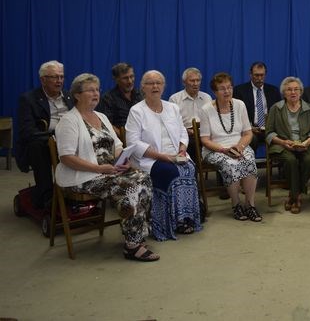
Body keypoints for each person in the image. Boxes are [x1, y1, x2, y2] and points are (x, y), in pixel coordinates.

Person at [55, 73, 158, 261]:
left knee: (144, 177)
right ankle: (132, 245)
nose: (96, 93)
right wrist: (100, 169)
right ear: (77, 95)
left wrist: (122, 158)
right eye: (90, 90)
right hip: (82, 176)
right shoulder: (68, 121)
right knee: (129, 187)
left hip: (108, 171)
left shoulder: (101, 116)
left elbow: (117, 145)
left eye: (97, 89)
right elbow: (67, 158)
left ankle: (137, 234)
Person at [125, 70, 203, 239]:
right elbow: (133, 143)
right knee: (170, 172)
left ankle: (185, 218)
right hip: (150, 159)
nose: (155, 86)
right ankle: (165, 222)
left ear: (164, 86)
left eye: (159, 83)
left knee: (190, 168)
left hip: (176, 154)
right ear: (143, 88)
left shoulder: (172, 107)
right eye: (150, 83)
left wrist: (182, 148)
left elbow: (183, 131)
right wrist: (163, 157)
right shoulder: (137, 111)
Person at [199, 72, 261, 222]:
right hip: (215, 148)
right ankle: (236, 204)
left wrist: (239, 147)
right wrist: (224, 150)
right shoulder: (206, 109)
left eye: (229, 87)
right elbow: (205, 140)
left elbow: (247, 133)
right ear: (214, 92)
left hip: (239, 145)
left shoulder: (239, 105)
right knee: (230, 164)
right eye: (222, 89)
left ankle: (250, 204)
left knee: (249, 161)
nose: (227, 91)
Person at [16, 60, 73, 208]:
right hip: (45, 144)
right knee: (37, 146)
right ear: (43, 79)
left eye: (61, 77)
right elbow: (27, 131)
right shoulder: (29, 99)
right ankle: (47, 196)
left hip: (71, 140)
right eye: (54, 77)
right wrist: (55, 137)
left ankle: (77, 191)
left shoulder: (70, 97)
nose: (59, 81)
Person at [265, 77, 310, 214]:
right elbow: (269, 133)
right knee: (291, 161)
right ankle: (297, 198)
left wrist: (306, 142)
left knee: (309, 161)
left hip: (303, 145)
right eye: (289, 89)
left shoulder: (309, 108)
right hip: (282, 145)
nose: (293, 92)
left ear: (301, 92)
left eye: (296, 89)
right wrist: (283, 142)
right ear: (284, 93)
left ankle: (292, 195)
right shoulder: (276, 108)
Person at [233, 61, 281, 152]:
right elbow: (235, 114)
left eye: (262, 75)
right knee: (252, 139)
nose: (259, 78)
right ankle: (250, 163)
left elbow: (280, 112)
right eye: (256, 75)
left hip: (269, 129)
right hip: (249, 129)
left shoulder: (273, 90)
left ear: (265, 75)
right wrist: (249, 127)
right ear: (250, 75)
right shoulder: (239, 91)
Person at [168, 67, 212, 140]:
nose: (195, 84)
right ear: (184, 82)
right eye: (192, 81)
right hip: (184, 135)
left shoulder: (207, 98)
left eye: (198, 80)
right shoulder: (175, 99)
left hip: (205, 134)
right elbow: (171, 123)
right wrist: (186, 131)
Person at [98, 62, 142, 129]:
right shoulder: (108, 98)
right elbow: (106, 124)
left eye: (131, 76)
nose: (130, 81)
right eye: (125, 78)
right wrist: (123, 135)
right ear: (116, 79)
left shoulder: (141, 95)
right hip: (120, 137)